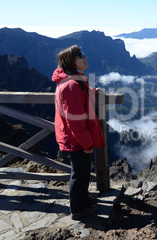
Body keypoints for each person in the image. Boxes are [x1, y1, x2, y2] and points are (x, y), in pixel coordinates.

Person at [52, 45, 105, 220]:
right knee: (79, 173)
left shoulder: (74, 82)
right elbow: (74, 120)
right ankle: (78, 209)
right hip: (76, 139)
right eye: (81, 55)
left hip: (76, 138)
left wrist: (92, 92)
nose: (86, 57)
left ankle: (83, 198)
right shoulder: (71, 85)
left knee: (82, 170)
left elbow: (77, 99)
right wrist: (87, 143)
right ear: (72, 61)